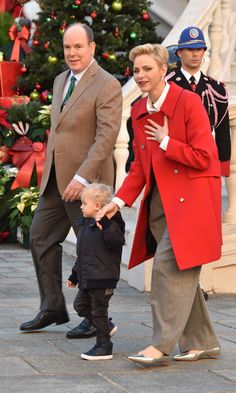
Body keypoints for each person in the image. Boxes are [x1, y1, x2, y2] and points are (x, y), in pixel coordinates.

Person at [97, 43, 222, 366]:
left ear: (163, 70)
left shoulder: (189, 102)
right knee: (181, 273)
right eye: (136, 70)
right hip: (160, 206)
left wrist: (167, 141)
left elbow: (206, 157)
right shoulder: (139, 110)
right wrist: (119, 199)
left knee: (168, 270)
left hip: (191, 202)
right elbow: (139, 166)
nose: (140, 75)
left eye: (147, 69)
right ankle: (202, 341)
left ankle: (161, 345)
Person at [20, 23, 122, 334]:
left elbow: (106, 138)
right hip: (55, 181)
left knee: (91, 251)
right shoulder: (61, 79)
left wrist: (82, 177)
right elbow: (61, 130)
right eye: (67, 47)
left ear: (92, 48)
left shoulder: (107, 85)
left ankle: (95, 318)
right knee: (39, 236)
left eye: (78, 47)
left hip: (88, 186)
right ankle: (52, 307)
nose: (72, 53)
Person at [66, 183, 125, 360]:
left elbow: (116, 241)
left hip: (103, 277)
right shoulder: (86, 224)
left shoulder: (112, 222)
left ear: (98, 205)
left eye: (84, 203)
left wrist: (105, 223)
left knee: (99, 312)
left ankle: (103, 346)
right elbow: (83, 253)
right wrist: (74, 275)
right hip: (88, 276)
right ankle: (106, 326)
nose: (81, 206)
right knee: (80, 306)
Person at [167, 26, 231, 177]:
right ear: (179, 53)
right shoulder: (166, 85)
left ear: (203, 52)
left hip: (204, 161)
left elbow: (222, 130)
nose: (195, 54)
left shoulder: (216, 89)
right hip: (173, 160)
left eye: (199, 49)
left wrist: (222, 166)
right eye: (189, 49)